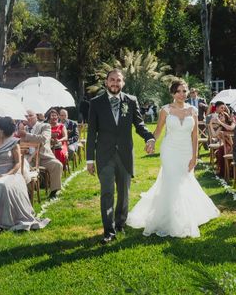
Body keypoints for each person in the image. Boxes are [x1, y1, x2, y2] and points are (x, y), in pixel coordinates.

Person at [127, 79, 220, 237]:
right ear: (172, 93)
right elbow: (157, 131)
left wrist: (195, 156)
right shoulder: (165, 110)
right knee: (171, 181)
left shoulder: (193, 110)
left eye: (184, 91)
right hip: (169, 150)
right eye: (178, 91)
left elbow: (195, 135)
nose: (182, 94)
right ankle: (170, 218)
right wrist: (151, 142)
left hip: (186, 151)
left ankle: (184, 215)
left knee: (184, 181)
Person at [86, 69, 155, 244]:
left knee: (124, 193)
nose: (115, 83)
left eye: (118, 80)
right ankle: (108, 230)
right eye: (112, 80)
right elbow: (92, 132)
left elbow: (139, 124)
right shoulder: (96, 103)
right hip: (104, 155)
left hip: (125, 154)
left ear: (123, 83)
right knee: (107, 192)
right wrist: (89, 159)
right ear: (106, 82)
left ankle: (120, 224)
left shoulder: (131, 101)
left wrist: (149, 136)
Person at [17, 110, 63, 199]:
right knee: (21, 169)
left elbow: (43, 139)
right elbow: (22, 145)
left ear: (36, 116)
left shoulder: (45, 126)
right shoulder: (23, 129)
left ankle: (54, 191)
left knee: (57, 165)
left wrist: (26, 135)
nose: (28, 118)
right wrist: (24, 147)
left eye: (30, 115)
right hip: (29, 158)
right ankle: (28, 192)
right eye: (26, 116)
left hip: (44, 157)